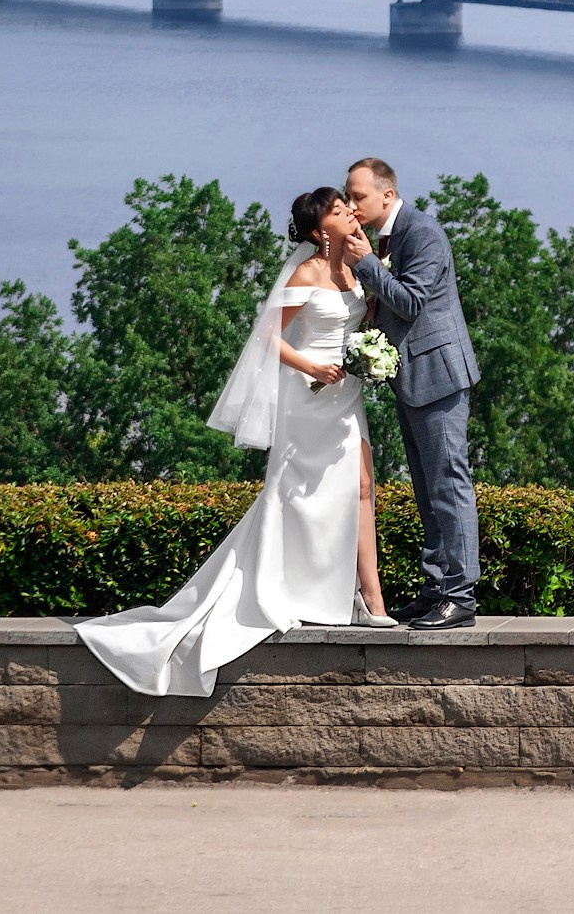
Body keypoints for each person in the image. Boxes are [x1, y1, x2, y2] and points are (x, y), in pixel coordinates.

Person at [76, 187, 398, 697]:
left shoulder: (358, 267)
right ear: (318, 231)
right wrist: (312, 364)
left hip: (346, 394)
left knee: (361, 486)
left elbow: (369, 317)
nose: (348, 213)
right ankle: (285, 586)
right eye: (338, 212)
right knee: (295, 493)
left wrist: (368, 353)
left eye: (345, 207)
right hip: (308, 394)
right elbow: (268, 336)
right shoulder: (308, 272)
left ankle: (370, 601)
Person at [341, 156, 482, 630]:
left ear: (387, 193)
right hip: (412, 377)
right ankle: (436, 588)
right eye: (349, 196)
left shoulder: (421, 232)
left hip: (439, 375)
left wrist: (363, 264)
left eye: (358, 196)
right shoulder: (383, 237)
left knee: (448, 484)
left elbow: (411, 301)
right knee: (426, 490)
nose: (351, 205)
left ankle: (460, 597)